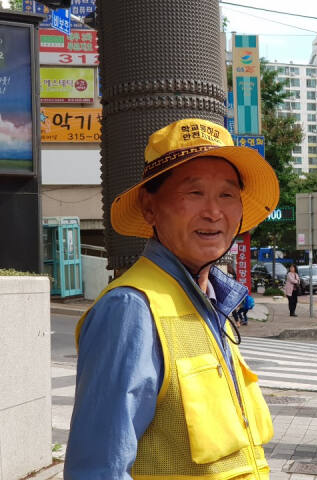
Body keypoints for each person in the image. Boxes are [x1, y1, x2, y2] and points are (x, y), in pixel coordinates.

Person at [65, 118, 279, 479]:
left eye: (227, 195)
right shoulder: (131, 309)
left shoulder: (211, 303)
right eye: (194, 193)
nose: (213, 212)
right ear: (150, 207)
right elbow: (98, 469)